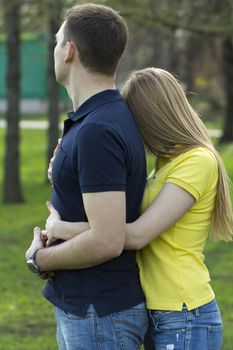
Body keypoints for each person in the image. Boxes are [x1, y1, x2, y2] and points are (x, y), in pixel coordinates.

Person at [43, 68, 233, 350]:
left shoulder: (197, 161)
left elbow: (133, 235)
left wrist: (61, 229)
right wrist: (63, 172)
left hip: (184, 313)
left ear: (153, 116)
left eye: (135, 119)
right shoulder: (164, 163)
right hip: (158, 310)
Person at [25, 4, 148, 350]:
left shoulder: (98, 130)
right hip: (89, 309)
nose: (54, 48)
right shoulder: (96, 121)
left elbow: (106, 240)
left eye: (56, 41)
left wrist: (39, 259)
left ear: (70, 51)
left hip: (100, 313)